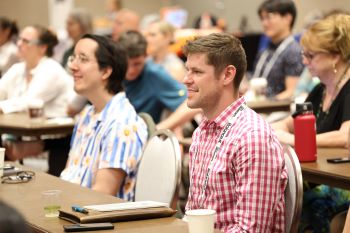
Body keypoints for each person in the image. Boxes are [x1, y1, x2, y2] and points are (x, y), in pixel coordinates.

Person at [183, 33, 287, 232]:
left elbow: (251, 230)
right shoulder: (202, 131)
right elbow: (192, 214)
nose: (185, 80)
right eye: (188, 70)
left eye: (196, 71)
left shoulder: (252, 137)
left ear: (227, 75)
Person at [272, 14, 350, 232]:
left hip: (341, 182)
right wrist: (267, 129)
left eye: (311, 55)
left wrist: (295, 140)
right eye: (304, 54)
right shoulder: (320, 89)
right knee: (275, 191)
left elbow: (345, 136)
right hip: (321, 176)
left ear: (335, 56)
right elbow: (287, 124)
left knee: (305, 201)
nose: (304, 61)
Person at [60, 34, 147, 200]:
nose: (72, 65)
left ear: (106, 71)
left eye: (83, 59)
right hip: (70, 206)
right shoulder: (86, 114)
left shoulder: (122, 124)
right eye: (73, 58)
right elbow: (69, 175)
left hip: (95, 220)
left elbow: (102, 196)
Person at [0, 25, 73, 117]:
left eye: (25, 41)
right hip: (23, 127)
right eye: (19, 39)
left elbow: (28, 102)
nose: (18, 43)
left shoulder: (51, 69)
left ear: (42, 48)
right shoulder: (17, 68)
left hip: (51, 129)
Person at [118, 30, 187, 123]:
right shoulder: (111, 70)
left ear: (146, 56)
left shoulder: (154, 74)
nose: (131, 71)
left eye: (137, 64)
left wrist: (160, 128)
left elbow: (188, 103)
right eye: (126, 64)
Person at [253, 0, 304, 100]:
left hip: (276, 110)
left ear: (287, 18)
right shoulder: (266, 49)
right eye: (262, 18)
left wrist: (264, 104)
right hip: (259, 106)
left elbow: (291, 92)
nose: (264, 23)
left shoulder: (293, 51)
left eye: (269, 17)